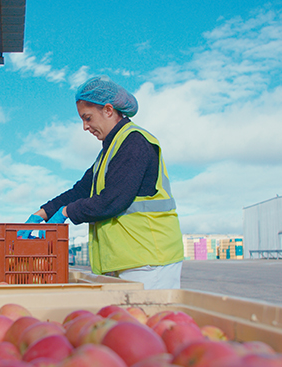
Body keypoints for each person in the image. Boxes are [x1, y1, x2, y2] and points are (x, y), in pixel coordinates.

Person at [23, 76, 184, 289]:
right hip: (130, 260)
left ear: (108, 110)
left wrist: (66, 212)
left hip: (150, 261)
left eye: (88, 118)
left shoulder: (134, 142)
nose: (84, 126)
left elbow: (113, 200)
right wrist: (41, 213)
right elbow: (81, 190)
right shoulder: (109, 151)